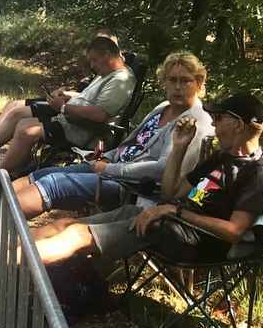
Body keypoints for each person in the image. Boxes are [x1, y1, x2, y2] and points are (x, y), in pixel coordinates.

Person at [27, 92, 263, 270]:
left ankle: (7, 269)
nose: (213, 124)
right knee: (68, 224)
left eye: (220, 119)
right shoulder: (219, 158)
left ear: (238, 125)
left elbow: (233, 232)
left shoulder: (258, 173)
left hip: (189, 239)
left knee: (79, 236)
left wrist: (175, 211)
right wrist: (179, 148)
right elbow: (170, 194)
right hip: (166, 219)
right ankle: (2, 251)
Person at [11, 52, 213, 219]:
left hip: (133, 187)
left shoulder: (196, 121)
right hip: (111, 168)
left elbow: (161, 169)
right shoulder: (163, 107)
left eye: (185, 81)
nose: (177, 87)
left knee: (54, 184)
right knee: (43, 174)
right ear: (164, 83)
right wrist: (107, 157)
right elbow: (131, 142)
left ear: (199, 83)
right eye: (172, 80)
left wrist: (111, 168)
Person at [0, 36, 136, 174]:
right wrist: (68, 95)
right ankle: (8, 167)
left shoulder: (120, 80)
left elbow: (99, 115)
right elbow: (88, 97)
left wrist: (62, 107)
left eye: (94, 60)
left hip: (85, 131)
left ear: (107, 55)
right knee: (24, 123)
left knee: (26, 130)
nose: (92, 66)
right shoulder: (107, 73)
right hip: (72, 120)